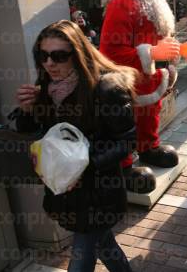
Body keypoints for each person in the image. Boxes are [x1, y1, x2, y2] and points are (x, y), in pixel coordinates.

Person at [14, 20, 136, 272]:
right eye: (43, 55)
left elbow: (127, 142)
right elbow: (35, 131)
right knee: (104, 244)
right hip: (66, 193)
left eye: (58, 56)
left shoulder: (106, 88)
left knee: (81, 257)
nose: (49, 63)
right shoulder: (47, 87)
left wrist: (84, 167)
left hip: (99, 191)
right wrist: (27, 111)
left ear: (77, 54)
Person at [100, 0, 181, 193]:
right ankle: (123, 166)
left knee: (150, 114)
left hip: (148, 77)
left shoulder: (150, 1)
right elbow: (110, 53)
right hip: (126, 82)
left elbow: (157, 36)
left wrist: (172, 51)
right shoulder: (120, 4)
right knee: (124, 122)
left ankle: (148, 147)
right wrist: (153, 53)